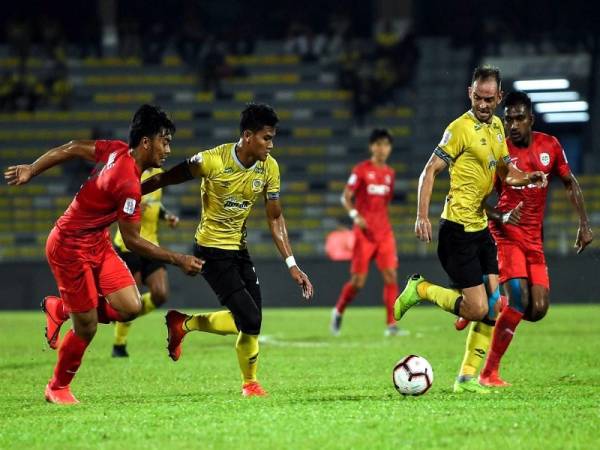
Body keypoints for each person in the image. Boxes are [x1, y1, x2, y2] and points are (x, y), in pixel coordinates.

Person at [3, 105, 203, 404]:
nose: (168, 148)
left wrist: (33, 168)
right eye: (165, 140)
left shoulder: (118, 151)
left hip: (96, 242)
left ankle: (62, 309)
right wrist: (178, 259)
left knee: (131, 307)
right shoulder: (126, 182)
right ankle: (57, 387)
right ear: (146, 142)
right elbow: (134, 241)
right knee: (87, 327)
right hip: (69, 246)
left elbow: (72, 148)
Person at [141, 103, 314, 397]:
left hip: (238, 249)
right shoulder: (212, 161)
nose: (271, 145)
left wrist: (292, 264)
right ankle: (242, 377)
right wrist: (130, 189)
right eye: (266, 138)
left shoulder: (269, 168)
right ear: (248, 136)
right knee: (250, 318)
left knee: (251, 321)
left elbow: (275, 217)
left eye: (273, 138)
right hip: (210, 249)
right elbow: (166, 177)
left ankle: (189, 330)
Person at [393, 66, 547, 394]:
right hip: (456, 230)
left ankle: (466, 378)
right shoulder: (458, 129)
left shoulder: (496, 128)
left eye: (490, 99)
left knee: (495, 306)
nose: (483, 104)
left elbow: (506, 171)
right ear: (470, 93)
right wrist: (422, 215)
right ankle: (419, 290)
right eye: (478, 97)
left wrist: (528, 177)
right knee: (477, 308)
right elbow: (429, 171)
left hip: (480, 229)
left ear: (499, 98)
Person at [454, 91, 593, 386]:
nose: (513, 125)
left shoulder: (550, 145)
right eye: (509, 119)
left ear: (531, 119)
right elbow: (478, 201)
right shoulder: (497, 152)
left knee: (537, 309)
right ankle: (488, 373)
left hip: (533, 239)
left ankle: (491, 303)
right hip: (504, 234)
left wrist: (584, 223)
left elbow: (570, 182)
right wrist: (501, 217)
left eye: (519, 118)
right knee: (519, 300)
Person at [330, 128, 406, 337]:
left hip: (384, 233)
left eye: (386, 145)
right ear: (372, 146)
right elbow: (345, 197)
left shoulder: (390, 174)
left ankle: (391, 325)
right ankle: (338, 310)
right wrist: (356, 215)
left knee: (391, 276)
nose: (382, 149)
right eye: (378, 144)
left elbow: (384, 203)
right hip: (364, 233)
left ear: (390, 148)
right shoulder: (361, 170)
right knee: (358, 282)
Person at [111, 167, 180, 357]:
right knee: (131, 299)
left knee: (160, 293)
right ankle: (119, 344)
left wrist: (167, 216)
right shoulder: (128, 173)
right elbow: (113, 205)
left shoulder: (159, 173)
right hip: (129, 246)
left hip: (151, 245)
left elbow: (155, 204)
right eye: (162, 142)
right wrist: (132, 207)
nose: (165, 150)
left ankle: (124, 316)